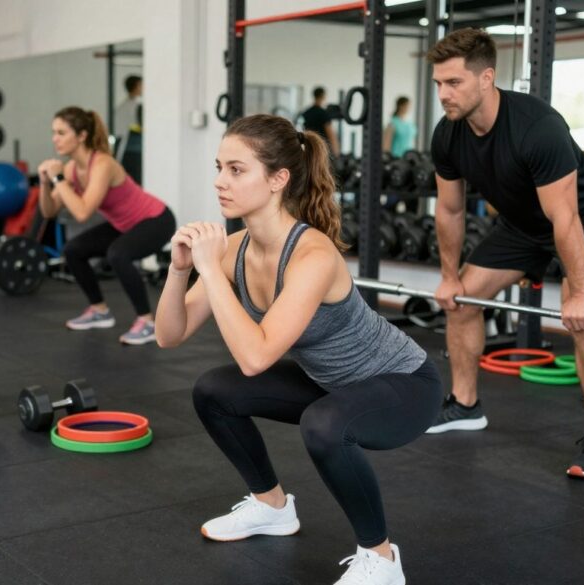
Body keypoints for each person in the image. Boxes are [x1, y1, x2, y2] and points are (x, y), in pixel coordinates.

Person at [155, 114, 442, 585]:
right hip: (330, 383)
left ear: (278, 179)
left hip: (404, 385)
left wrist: (210, 271)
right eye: (219, 167)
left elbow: (256, 356)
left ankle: (382, 558)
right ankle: (271, 506)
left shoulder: (313, 255)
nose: (219, 181)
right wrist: (181, 269)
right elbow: (169, 335)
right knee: (213, 390)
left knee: (325, 425)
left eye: (236, 169)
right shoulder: (233, 249)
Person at [427, 28, 584, 479]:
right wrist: (449, 276)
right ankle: (465, 404)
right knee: (462, 303)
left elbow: (566, 219)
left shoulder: (538, 128)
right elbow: (450, 209)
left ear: (486, 78)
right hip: (521, 226)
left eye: (453, 83)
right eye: (438, 83)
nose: (443, 94)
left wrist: (578, 292)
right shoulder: (449, 135)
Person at [38, 106, 175, 345]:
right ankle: (99, 311)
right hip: (124, 225)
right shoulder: (70, 169)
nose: (55, 139)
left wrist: (58, 179)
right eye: (54, 132)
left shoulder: (103, 164)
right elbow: (48, 211)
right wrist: (44, 183)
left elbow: (82, 212)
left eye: (61, 133)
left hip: (156, 220)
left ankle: (148, 323)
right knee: (73, 250)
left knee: (118, 254)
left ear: (81, 136)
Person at [113, 74, 143, 182]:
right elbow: (140, 127)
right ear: (136, 86)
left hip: (121, 147)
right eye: (141, 85)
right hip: (133, 149)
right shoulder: (137, 106)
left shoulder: (121, 106)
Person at [300, 86, 341, 157]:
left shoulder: (306, 113)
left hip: (309, 148)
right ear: (323, 96)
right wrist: (336, 153)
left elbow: (303, 130)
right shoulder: (323, 113)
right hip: (321, 149)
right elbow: (330, 134)